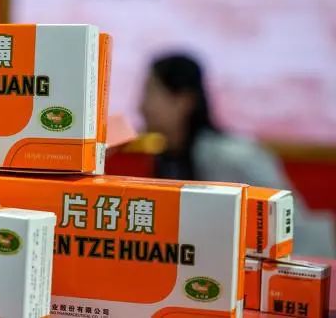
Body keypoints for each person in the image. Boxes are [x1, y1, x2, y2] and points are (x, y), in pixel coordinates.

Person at [140, 53, 335, 257]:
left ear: (183, 100)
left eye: (150, 92)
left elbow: (288, 224)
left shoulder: (232, 157)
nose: (142, 106)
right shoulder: (170, 158)